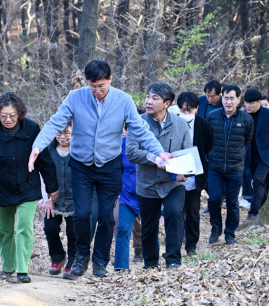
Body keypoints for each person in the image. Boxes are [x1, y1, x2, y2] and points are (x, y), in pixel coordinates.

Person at [28, 60, 171, 279]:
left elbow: (140, 130)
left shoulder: (123, 100)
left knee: (106, 215)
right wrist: (37, 146)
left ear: (110, 80)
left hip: (110, 166)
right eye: (93, 86)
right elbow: (55, 122)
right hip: (82, 166)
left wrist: (159, 152)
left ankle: (100, 261)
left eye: (102, 86)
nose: (97, 91)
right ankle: (81, 257)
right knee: (82, 213)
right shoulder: (75, 98)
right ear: (87, 83)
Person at [0, 92, 59, 284]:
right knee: (4, 230)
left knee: (24, 226)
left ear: (19, 113)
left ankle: (22, 270)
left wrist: (52, 188)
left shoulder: (31, 128)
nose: (8, 119)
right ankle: (8, 267)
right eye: (3, 115)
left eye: (12, 115)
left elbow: (45, 161)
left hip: (27, 187)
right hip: (1, 188)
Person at [126, 83, 192, 269]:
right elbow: (131, 153)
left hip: (173, 184)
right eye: (148, 96)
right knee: (149, 225)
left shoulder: (180, 123)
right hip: (147, 184)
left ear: (167, 103)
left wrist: (184, 172)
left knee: (175, 213)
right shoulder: (137, 122)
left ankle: (173, 260)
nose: (148, 101)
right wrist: (154, 158)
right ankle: (151, 263)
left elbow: (187, 153)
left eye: (155, 98)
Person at [205, 85, 254, 245]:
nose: (228, 101)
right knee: (214, 199)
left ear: (238, 100)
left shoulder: (246, 119)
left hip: (235, 168)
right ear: (222, 98)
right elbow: (207, 139)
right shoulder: (212, 116)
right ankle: (215, 228)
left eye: (232, 98)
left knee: (233, 202)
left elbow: (247, 141)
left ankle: (230, 233)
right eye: (225, 98)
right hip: (215, 167)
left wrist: (238, 156)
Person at [176, 91, 215, 256]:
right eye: (183, 110)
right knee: (175, 211)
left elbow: (208, 146)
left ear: (197, 108)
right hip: (174, 173)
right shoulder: (172, 122)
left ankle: (191, 246)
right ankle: (175, 244)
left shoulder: (204, 125)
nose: (186, 113)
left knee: (192, 212)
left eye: (189, 110)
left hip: (194, 174)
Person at [40, 122, 76, 278]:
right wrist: (44, 198)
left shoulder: (78, 150)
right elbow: (41, 174)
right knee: (50, 229)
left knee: (74, 232)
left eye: (67, 133)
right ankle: (57, 257)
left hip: (75, 199)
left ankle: (73, 262)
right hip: (52, 198)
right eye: (60, 133)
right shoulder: (47, 151)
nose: (63, 137)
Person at [241, 89, 269, 222]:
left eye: (251, 103)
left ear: (259, 102)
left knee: (258, 180)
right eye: (246, 103)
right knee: (262, 184)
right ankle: (264, 208)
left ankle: (252, 213)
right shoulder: (243, 115)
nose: (248, 106)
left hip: (267, 156)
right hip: (251, 156)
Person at [114, 126, 141, 271]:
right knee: (122, 227)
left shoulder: (152, 144)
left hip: (147, 193)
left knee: (149, 229)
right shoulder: (121, 145)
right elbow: (116, 170)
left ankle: (151, 263)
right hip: (126, 193)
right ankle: (120, 267)